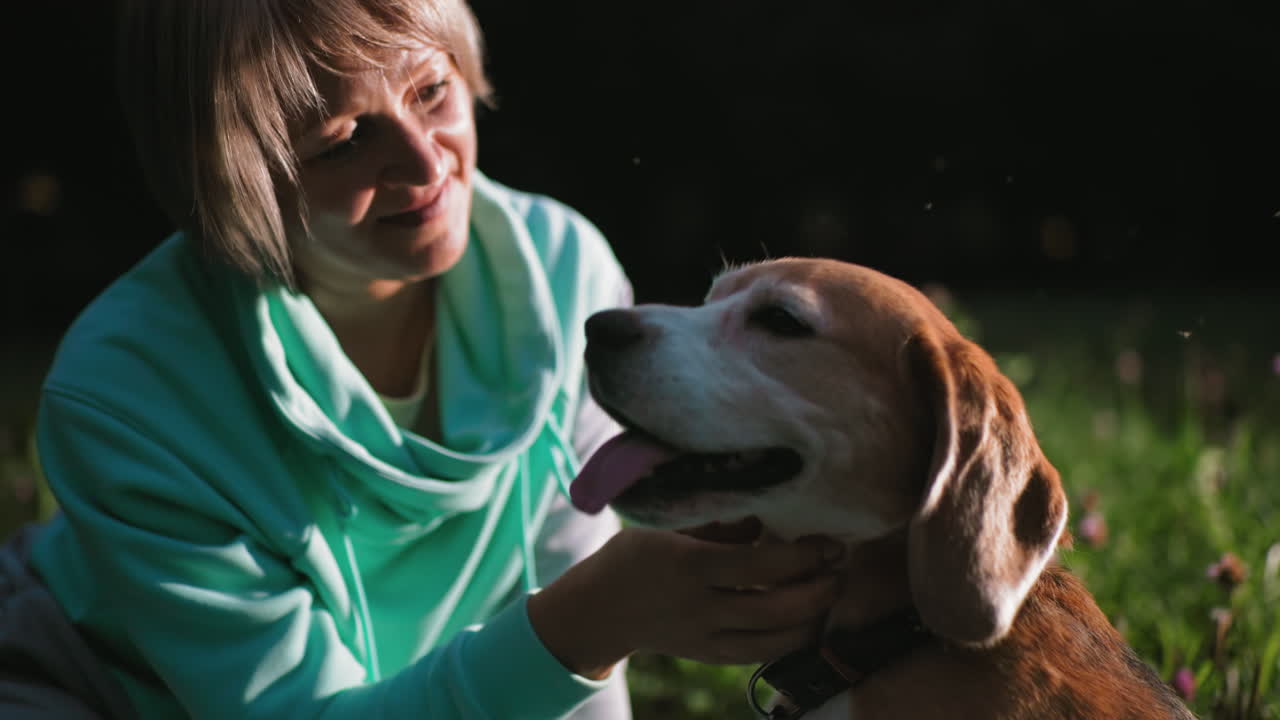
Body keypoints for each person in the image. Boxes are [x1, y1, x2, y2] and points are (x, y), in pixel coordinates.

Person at [0, 0, 844, 717]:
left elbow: (577, 657)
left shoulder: (562, 277)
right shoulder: (129, 399)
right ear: (226, 173)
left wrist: (589, 624)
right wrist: (583, 623)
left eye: (431, 91)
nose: (424, 161)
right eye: (342, 142)